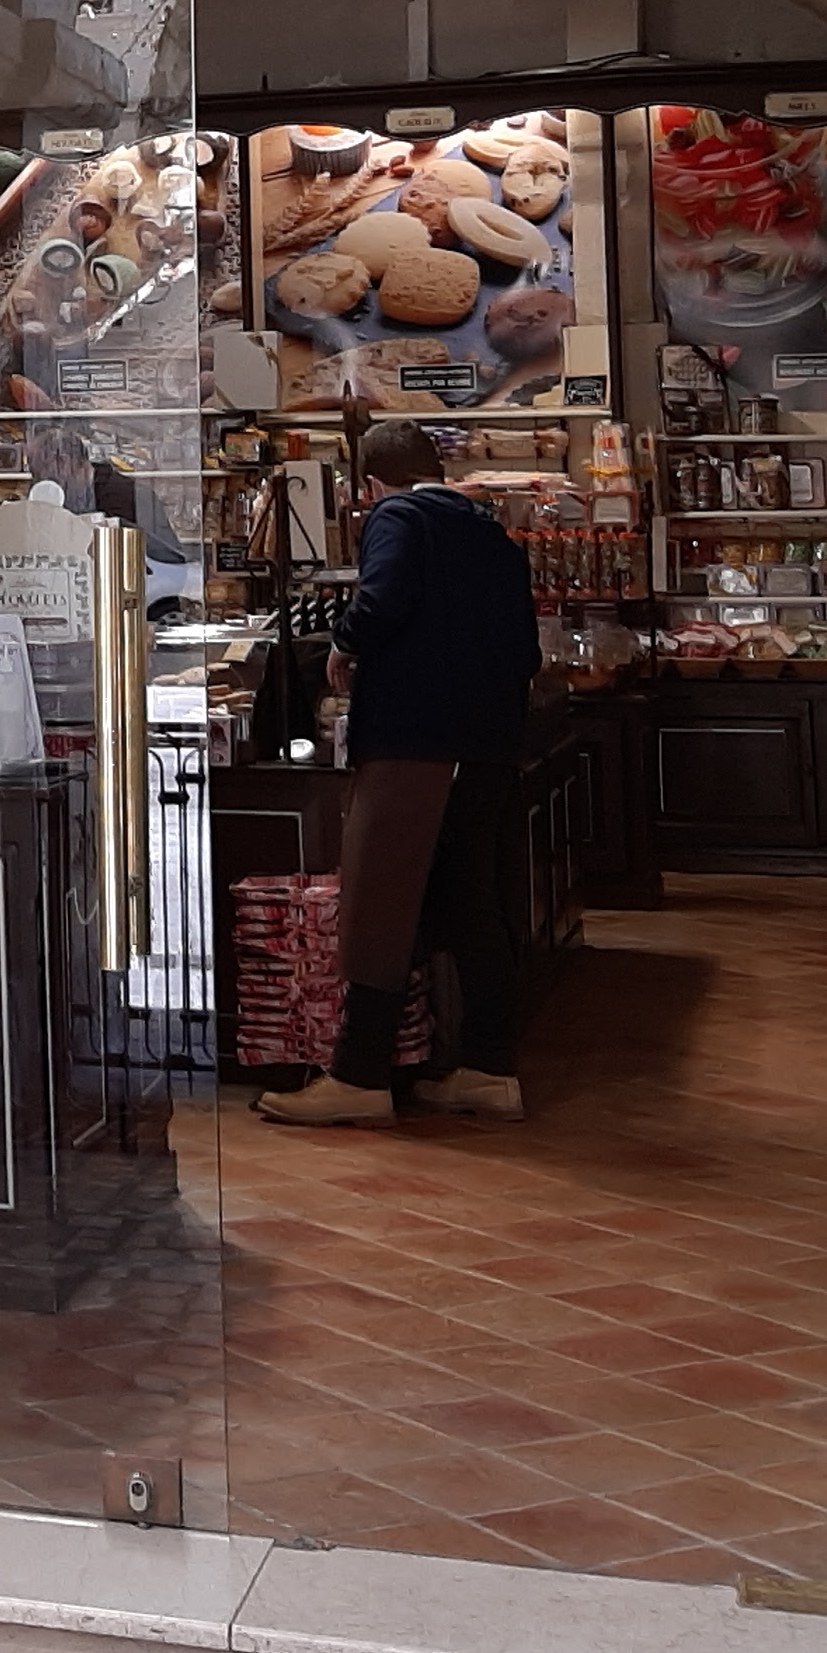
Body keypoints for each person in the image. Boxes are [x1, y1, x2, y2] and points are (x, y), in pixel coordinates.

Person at [259, 418, 540, 1127]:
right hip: (489, 746)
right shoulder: (492, 533)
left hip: (416, 744)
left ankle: (359, 1075)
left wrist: (343, 645)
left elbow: (380, 600)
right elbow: (526, 652)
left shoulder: (399, 516)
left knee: (380, 901)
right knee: (475, 905)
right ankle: (489, 1069)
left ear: (370, 484)